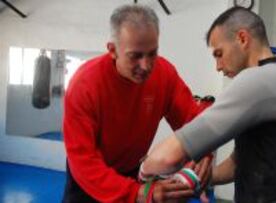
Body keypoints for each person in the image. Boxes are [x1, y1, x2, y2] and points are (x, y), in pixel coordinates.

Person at [141, 6, 276, 203]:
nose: (218, 66)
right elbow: (239, 163)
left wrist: (142, 174)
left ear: (242, 39)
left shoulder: (261, 79)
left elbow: (168, 157)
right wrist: (195, 180)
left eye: (219, 53)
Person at [62, 5, 213, 203]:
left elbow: (191, 119)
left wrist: (203, 151)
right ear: (113, 50)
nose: (146, 65)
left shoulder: (164, 74)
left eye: (152, 53)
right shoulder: (84, 85)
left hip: (132, 170)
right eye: (136, 56)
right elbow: (83, 160)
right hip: (89, 179)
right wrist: (138, 194)